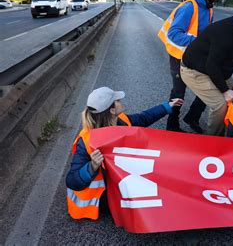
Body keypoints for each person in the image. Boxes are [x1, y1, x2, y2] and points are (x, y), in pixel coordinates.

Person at [66, 87, 183, 220]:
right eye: (117, 100)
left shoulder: (121, 119)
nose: (121, 101)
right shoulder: (86, 141)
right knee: (152, 195)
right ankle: (176, 219)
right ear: (112, 110)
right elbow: (71, 181)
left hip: (119, 179)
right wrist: (91, 167)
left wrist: (167, 106)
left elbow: (143, 118)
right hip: (101, 195)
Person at [180, 2, 233, 136]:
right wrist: (224, 91)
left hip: (216, 70)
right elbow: (212, 66)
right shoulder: (222, 32)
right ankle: (214, 141)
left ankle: (193, 118)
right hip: (193, 71)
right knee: (220, 105)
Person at [158, 0, 219, 133]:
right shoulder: (189, 8)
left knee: (209, 86)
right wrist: (198, 41)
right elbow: (173, 34)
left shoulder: (208, 8)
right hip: (178, 56)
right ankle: (172, 125)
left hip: (194, 56)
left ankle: (192, 117)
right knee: (178, 92)